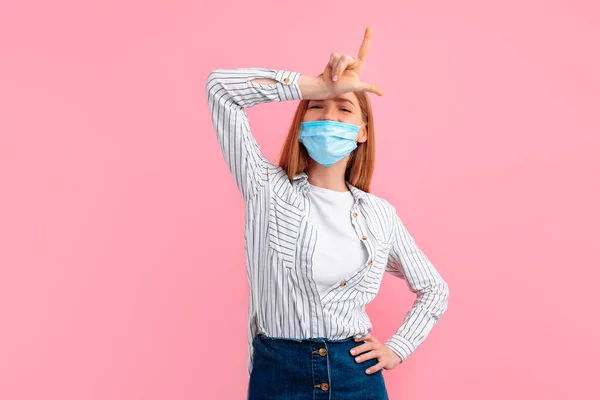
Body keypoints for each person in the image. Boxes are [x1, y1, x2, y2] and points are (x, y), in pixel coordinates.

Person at [205, 26, 449, 399]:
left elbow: (434, 289)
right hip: (278, 374)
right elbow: (220, 89)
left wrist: (398, 348)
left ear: (362, 133)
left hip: (356, 376)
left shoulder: (379, 215)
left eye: (344, 106)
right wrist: (315, 86)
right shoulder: (265, 188)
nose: (329, 115)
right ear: (302, 125)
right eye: (318, 107)